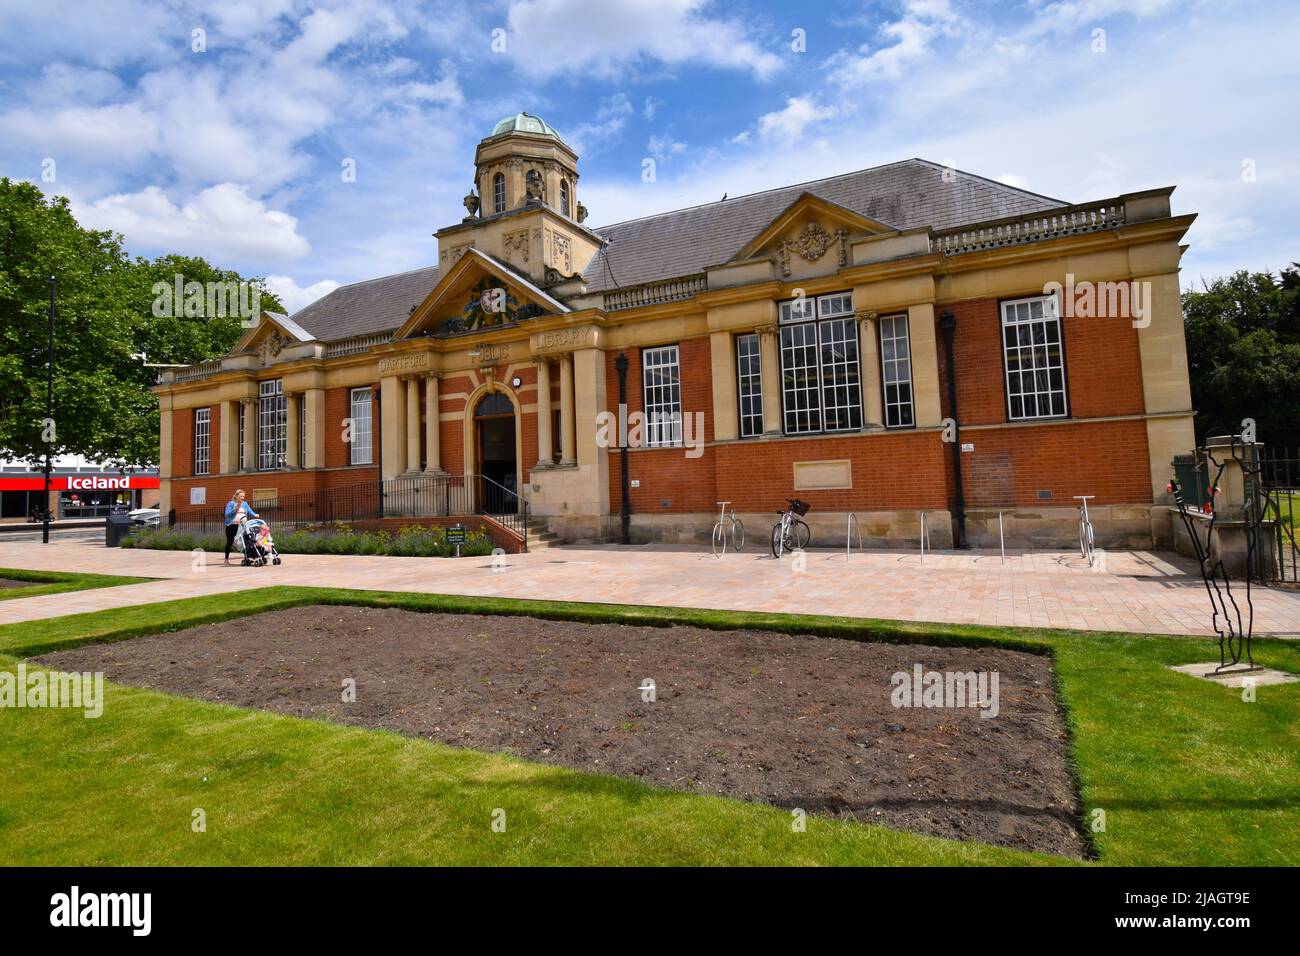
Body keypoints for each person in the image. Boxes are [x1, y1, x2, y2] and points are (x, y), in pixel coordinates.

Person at [223, 489, 258, 565]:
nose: (242, 497)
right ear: (236, 496)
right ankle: (226, 560)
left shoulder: (245, 503)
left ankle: (247, 558)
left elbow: (249, 511)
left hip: (242, 526)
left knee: (245, 541)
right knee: (230, 542)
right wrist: (235, 509)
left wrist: (255, 514)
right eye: (241, 496)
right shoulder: (231, 503)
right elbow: (227, 515)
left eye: (243, 496)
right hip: (231, 526)